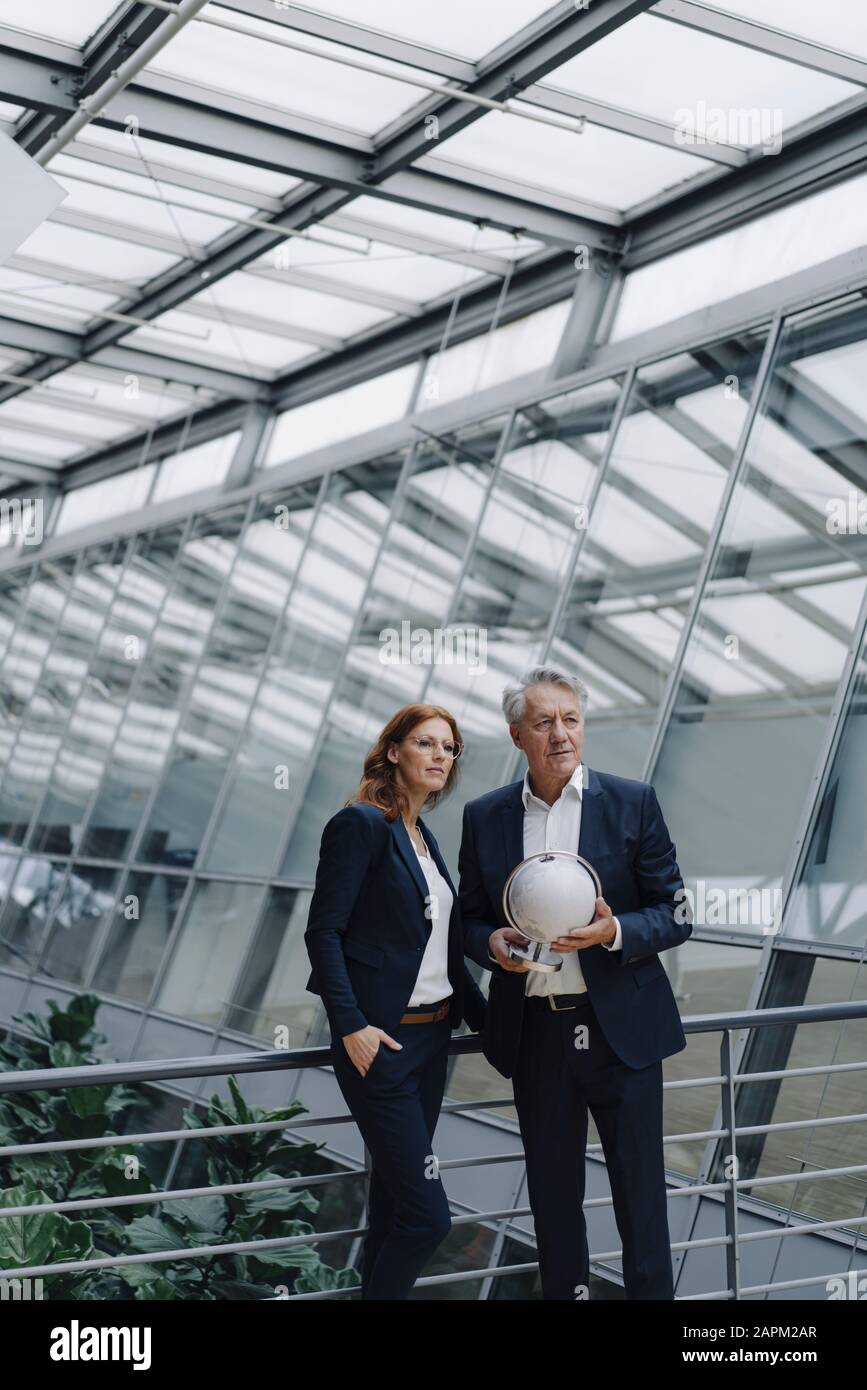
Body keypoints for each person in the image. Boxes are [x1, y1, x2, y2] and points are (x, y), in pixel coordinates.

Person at [458, 666, 692, 1300]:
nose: (560, 734)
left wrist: (614, 932)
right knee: (554, 1204)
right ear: (517, 735)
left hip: (623, 1034)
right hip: (537, 1034)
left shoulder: (633, 800)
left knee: (642, 1203)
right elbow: (469, 917)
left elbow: (677, 912)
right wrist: (489, 943)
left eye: (571, 719)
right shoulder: (484, 818)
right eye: (544, 722)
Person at [305, 704, 487, 1300]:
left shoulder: (423, 836)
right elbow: (323, 933)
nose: (440, 755)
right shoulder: (360, 824)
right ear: (393, 752)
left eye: (449, 747)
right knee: (430, 1216)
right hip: (379, 1044)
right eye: (426, 743)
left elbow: (441, 949)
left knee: (393, 1204)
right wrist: (351, 1025)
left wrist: (497, 1026)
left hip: (431, 1043)